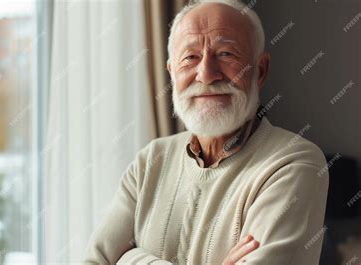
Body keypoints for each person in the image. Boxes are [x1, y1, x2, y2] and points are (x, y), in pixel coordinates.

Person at [84, 0, 329, 264]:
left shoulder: (294, 163)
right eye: (190, 57)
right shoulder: (150, 161)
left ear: (260, 70)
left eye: (226, 54)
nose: (206, 74)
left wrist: (129, 259)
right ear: (172, 73)